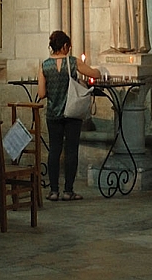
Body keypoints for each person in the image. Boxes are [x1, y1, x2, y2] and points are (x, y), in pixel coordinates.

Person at [37, 30, 101, 201]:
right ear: (65, 46)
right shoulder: (72, 62)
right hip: (72, 113)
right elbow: (95, 74)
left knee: (54, 150)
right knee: (71, 151)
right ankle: (68, 191)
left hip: (53, 114)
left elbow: (41, 93)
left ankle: (53, 191)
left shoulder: (44, 65)